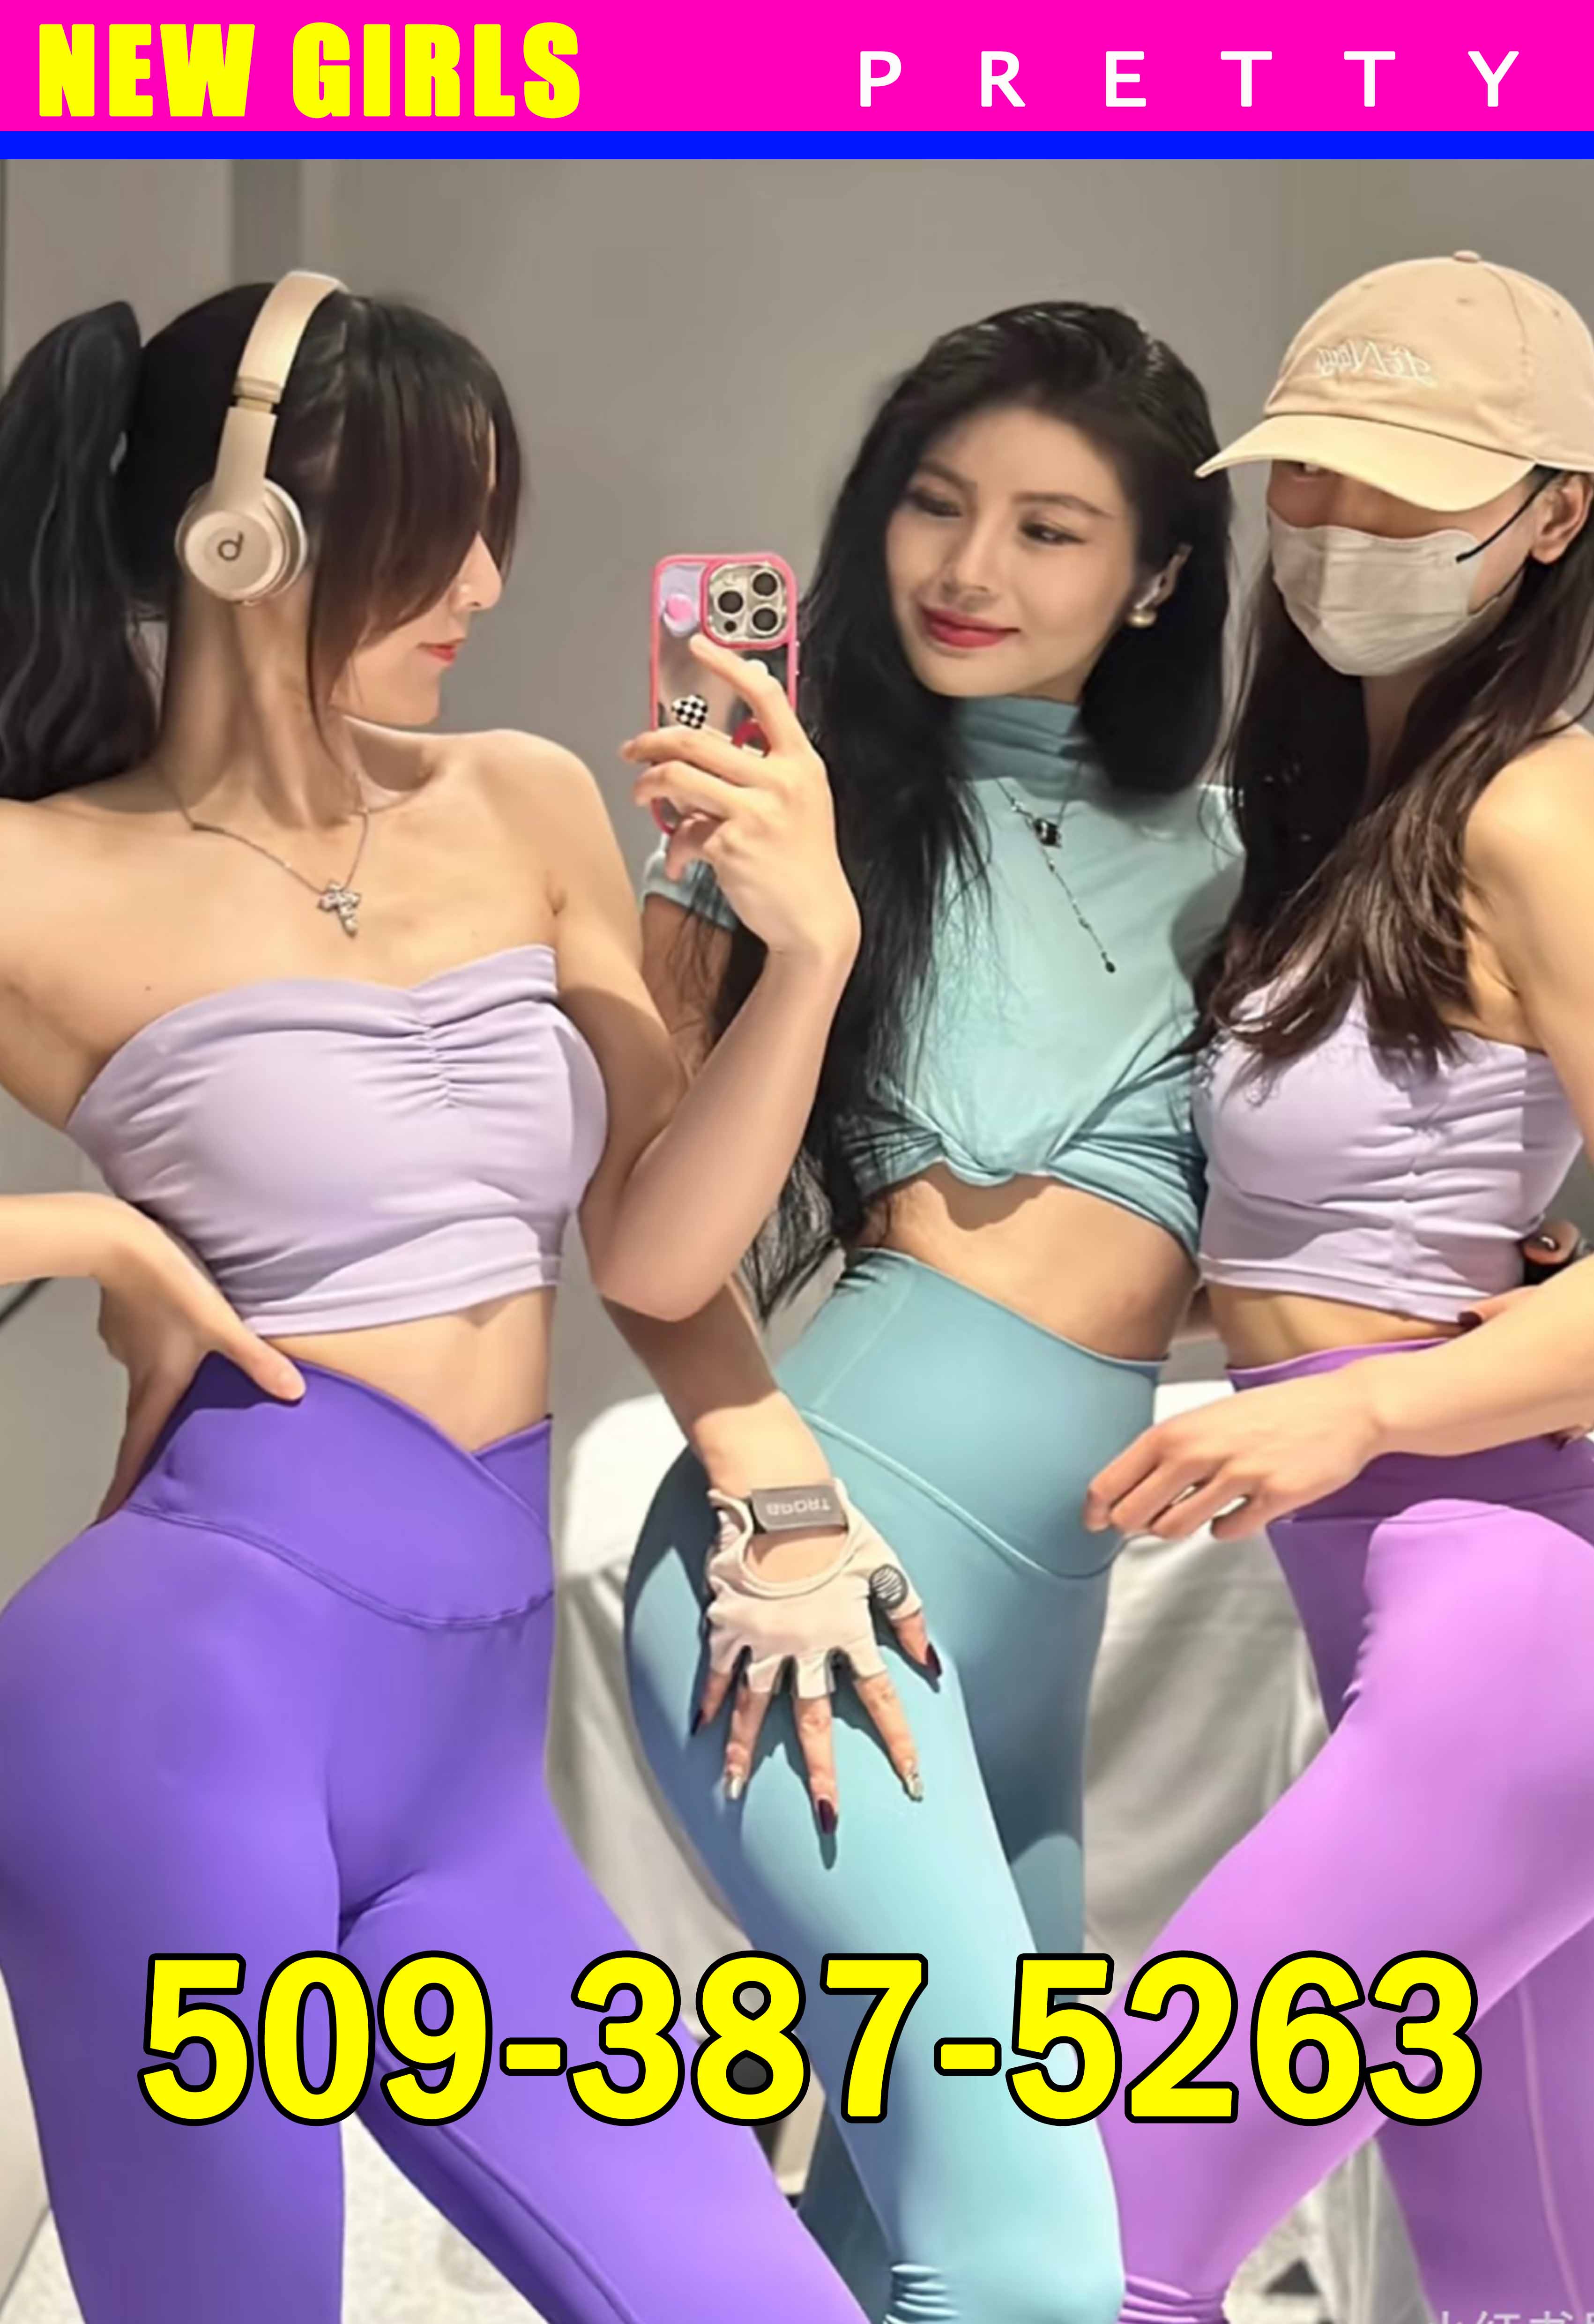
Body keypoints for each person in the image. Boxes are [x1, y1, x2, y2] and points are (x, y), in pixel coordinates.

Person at [0, 271, 878, 2324]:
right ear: (244, 531)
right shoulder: (38, 870)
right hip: (179, 1705)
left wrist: (808, 951)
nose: (484, 580)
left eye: (494, 522)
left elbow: (651, 1244)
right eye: (434, 521)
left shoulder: (520, 797)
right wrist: (95, 1241)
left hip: (469, 1770)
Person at [622, 300, 1238, 2324]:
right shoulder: (777, 813)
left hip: (1043, 1631)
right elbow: (637, 1238)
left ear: (1156, 577)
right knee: (1029, 2266)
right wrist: (778, 1507)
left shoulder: (1226, 852)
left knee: (900, 2246)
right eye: (933, 502)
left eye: (1048, 529)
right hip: (815, 1561)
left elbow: (1235, 1231)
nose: (968, 567)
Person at [1084, 252, 1594, 2324]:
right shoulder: (1324, 826)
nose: (1339, 530)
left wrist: (1363, 1401)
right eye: (1309, 475)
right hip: (1399, 1592)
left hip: (1517, 1626)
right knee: (1523, 2282)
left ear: (1550, 516)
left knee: (1095, 2240)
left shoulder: (1541, 809)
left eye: (1406, 489)